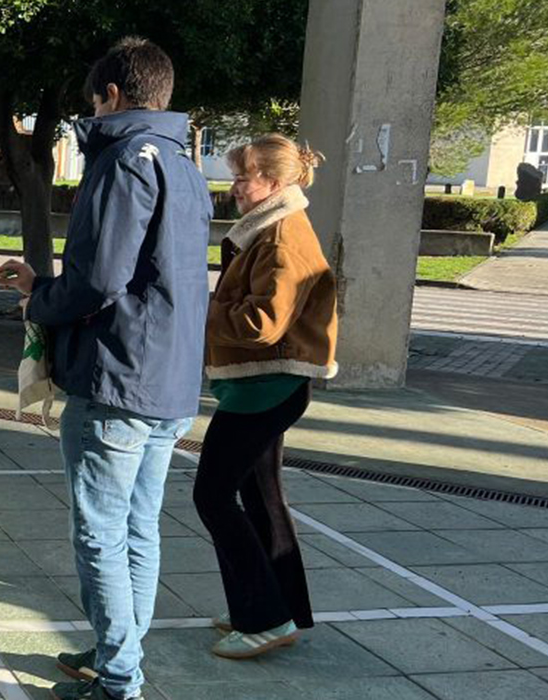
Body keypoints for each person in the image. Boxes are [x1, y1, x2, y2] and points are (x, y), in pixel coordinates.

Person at [0, 37, 211, 700]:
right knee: (137, 527)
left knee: (101, 532)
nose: (90, 112)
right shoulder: (181, 161)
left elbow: (101, 281)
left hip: (117, 377)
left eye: (92, 102)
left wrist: (40, 296)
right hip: (167, 381)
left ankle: (120, 678)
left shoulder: (123, 160)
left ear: (112, 96)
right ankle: (119, 652)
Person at [193, 134, 337, 659]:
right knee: (261, 498)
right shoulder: (270, 228)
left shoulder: (280, 237)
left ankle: (265, 617)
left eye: (242, 177)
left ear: (274, 184)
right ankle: (278, 610)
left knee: (211, 496)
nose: (233, 187)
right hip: (268, 384)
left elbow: (262, 322)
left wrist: (200, 311)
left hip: (264, 386)